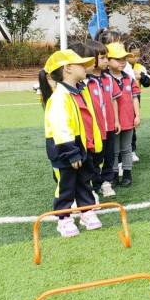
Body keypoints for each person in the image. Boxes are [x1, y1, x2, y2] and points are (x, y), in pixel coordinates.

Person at [38, 50, 103, 237]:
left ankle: (86, 211)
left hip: (80, 145)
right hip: (65, 148)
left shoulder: (80, 91)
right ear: (67, 68)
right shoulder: (60, 97)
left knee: (84, 181)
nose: (86, 67)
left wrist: (92, 146)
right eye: (80, 64)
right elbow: (61, 127)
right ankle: (64, 218)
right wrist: (71, 152)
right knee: (66, 184)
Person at [70, 41, 120, 198]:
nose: (106, 61)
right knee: (95, 158)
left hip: (109, 127)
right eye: (103, 57)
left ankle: (107, 182)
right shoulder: (84, 82)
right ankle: (94, 183)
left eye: (107, 58)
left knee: (109, 156)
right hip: (94, 130)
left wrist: (116, 120)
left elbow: (114, 100)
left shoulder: (109, 79)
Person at [106, 42, 141, 187]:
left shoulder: (129, 78)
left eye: (124, 59)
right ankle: (113, 175)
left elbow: (134, 97)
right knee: (113, 151)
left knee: (126, 148)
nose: (122, 62)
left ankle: (127, 174)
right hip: (112, 122)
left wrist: (137, 115)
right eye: (117, 59)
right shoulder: (105, 79)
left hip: (128, 120)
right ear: (107, 60)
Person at [126, 41, 150, 163]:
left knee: (133, 125)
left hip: (135, 99)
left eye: (137, 55)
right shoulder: (122, 67)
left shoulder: (140, 68)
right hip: (123, 99)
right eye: (132, 55)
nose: (135, 58)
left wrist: (142, 77)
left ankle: (132, 151)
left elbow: (147, 83)